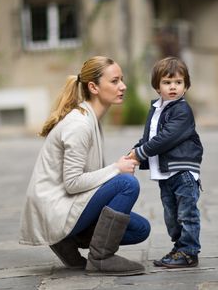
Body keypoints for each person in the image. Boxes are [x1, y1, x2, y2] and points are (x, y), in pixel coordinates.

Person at [19, 56, 150, 276]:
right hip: (55, 209)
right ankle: (101, 258)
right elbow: (72, 183)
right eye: (115, 81)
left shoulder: (90, 119)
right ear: (93, 87)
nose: (123, 86)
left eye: (122, 80)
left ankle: (67, 241)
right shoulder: (79, 124)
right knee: (127, 184)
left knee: (140, 229)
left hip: (68, 205)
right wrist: (117, 168)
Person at [129, 56, 203, 268]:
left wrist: (140, 153)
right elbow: (149, 139)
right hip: (165, 175)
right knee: (171, 217)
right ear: (157, 86)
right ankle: (180, 247)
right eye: (167, 82)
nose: (173, 87)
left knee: (186, 214)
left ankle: (189, 252)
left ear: (186, 86)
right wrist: (133, 153)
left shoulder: (182, 110)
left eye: (178, 82)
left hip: (183, 172)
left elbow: (166, 138)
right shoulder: (156, 109)